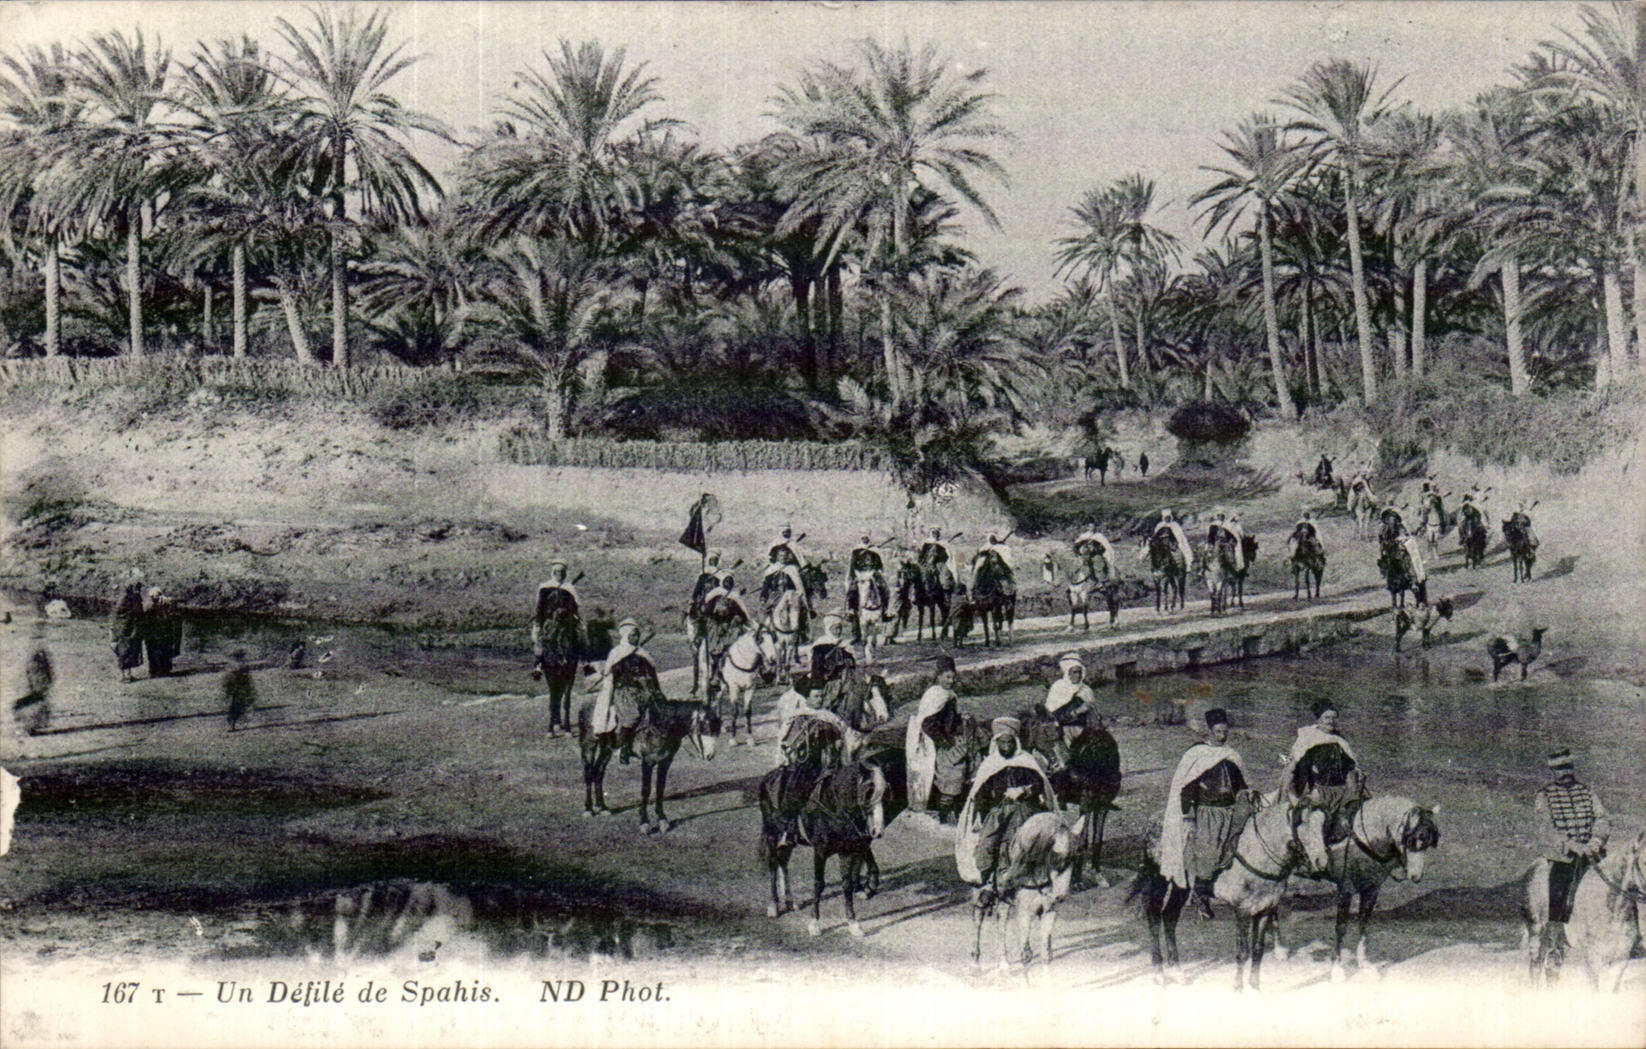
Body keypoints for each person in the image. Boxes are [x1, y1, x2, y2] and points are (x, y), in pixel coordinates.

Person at [1159, 708, 1251, 918]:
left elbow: (1241, 785)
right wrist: (1189, 817)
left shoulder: (1231, 756)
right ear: (1210, 731)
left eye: (1225, 731)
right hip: (1207, 814)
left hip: (1229, 812)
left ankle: (1226, 891)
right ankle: (1200, 897)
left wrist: (1247, 795)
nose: (1222, 735)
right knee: (1207, 856)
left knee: (1233, 850)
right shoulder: (1197, 755)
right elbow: (1186, 789)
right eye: (1218, 731)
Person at [960, 717, 1059, 904]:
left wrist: (1024, 790)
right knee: (987, 843)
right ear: (996, 743)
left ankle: (1040, 878)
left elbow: (1039, 783)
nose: (1006, 746)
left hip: (1026, 808)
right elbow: (980, 793)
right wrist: (980, 816)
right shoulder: (990, 764)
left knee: (1031, 838)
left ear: (1016, 742)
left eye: (1009, 742)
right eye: (1002, 742)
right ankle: (989, 882)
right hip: (999, 810)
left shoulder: (1026, 761)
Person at [1534, 748, 1611, 937]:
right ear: (1553, 771)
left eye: (1568, 767)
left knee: (1618, 884)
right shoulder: (1545, 796)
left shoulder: (1587, 792)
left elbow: (1602, 819)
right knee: (1559, 890)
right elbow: (1546, 829)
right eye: (1560, 769)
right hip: (1564, 858)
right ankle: (1555, 940)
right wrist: (1571, 846)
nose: (1565, 772)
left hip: (1593, 854)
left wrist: (1595, 842)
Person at [1283, 699, 1363, 873]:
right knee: (1317, 820)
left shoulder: (1339, 740)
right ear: (1318, 720)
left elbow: (1350, 766)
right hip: (1320, 792)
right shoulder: (1308, 741)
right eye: (1327, 718)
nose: (1331, 721)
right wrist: (1297, 795)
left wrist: (1355, 783)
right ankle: (1314, 860)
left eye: (1334, 718)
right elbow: (1298, 771)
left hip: (1342, 791)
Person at [590, 619, 661, 764]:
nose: (636, 638)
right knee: (632, 717)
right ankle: (622, 749)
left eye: (637, 635)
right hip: (623, 692)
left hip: (642, 692)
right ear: (625, 635)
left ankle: (642, 746)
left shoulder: (642, 653)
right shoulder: (617, 653)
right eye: (633, 635)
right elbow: (611, 675)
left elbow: (651, 672)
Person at [906, 656, 960, 814]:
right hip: (928, 738)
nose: (950, 681)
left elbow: (949, 717)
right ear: (938, 677)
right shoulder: (936, 694)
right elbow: (928, 723)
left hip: (938, 733)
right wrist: (944, 741)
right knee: (936, 769)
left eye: (953, 677)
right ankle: (937, 804)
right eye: (947, 677)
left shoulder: (947, 694)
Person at [109, 575, 146, 683]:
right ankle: (126, 676)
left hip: (129, 627)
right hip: (125, 628)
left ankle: (127, 675)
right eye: (137, 588)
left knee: (127, 651)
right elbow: (119, 612)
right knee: (124, 651)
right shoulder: (126, 598)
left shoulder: (133, 598)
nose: (138, 590)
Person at [1043, 653, 1095, 727]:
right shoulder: (1057, 686)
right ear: (1068, 673)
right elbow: (1050, 708)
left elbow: (1090, 709)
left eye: (1079, 672)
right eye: (1074, 672)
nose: (1078, 675)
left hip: (1080, 726)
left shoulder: (1086, 690)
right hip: (1058, 725)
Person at [142, 586, 183, 678]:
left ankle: (160, 671)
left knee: (161, 651)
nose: (155, 598)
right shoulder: (152, 606)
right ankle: (157, 671)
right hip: (156, 632)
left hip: (160, 632)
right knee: (157, 651)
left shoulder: (166, 604)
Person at [807, 612, 856, 686]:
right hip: (825, 679)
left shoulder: (844, 644)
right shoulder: (820, 644)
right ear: (828, 629)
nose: (838, 631)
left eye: (840, 628)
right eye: (836, 628)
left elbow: (852, 663)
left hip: (842, 679)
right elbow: (816, 666)